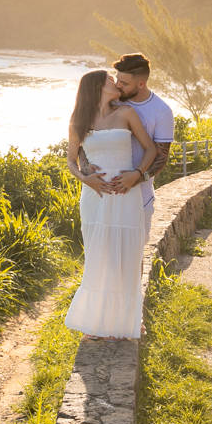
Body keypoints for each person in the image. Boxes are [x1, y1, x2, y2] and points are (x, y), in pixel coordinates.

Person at [63, 69, 156, 341]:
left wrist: (136, 175)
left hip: (126, 193)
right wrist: (85, 179)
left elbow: (150, 149)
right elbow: (70, 161)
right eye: (110, 80)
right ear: (97, 87)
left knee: (126, 256)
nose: (116, 82)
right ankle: (95, 322)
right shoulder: (79, 120)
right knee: (99, 256)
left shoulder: (126, 113)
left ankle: (121, 323)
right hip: (95, 196)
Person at [80, 53, 174, 242]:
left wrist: (136, 177)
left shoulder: (161, 112)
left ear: (141, 84)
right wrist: (85, 168)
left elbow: (161, 156)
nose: (118, 85)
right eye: (116, 80)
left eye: (124, 83)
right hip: (103, 194)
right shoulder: (112, 100)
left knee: (134, 252)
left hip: (140, 196)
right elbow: (85, 139)